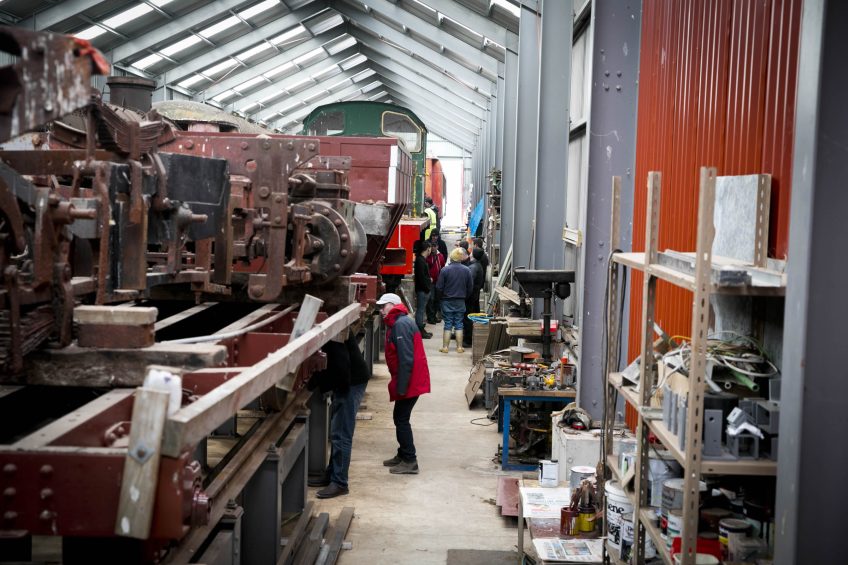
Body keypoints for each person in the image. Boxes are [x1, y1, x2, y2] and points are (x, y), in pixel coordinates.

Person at [306, 332, 371, 498]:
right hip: (347, 377)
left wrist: (315, 385)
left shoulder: (332, 332)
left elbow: (340, 368)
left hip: (351, 381)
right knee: (337, 431)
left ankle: (340, 482)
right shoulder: (325, 330)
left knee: (341, 433)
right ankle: (332, 474)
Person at [377, 293, 431, 474]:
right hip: (409, 379)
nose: (380, 310)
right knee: (400, 417)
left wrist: (402, 387)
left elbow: (406, 359)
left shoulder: (400, 325)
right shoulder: (399, 322)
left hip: (409, 381)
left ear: (392, 305)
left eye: (383, 306)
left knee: (401, 419)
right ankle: (402, 454)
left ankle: (410, 460)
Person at [435, 248, 473, 353]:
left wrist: (440, 299)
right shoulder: (467, 270)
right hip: (460, 300)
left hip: (447, 301)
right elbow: (470, 288)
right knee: (459, 323)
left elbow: (439, 287)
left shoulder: (445, 270)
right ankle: (459, 347)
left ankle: (445, 347)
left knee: (448, 323)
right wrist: (465, 297)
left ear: (451, 257)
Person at [463, 247, 486, 347]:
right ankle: (469, 336)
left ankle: (468, 340)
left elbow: (469, 282)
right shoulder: (477, 265)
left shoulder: (473, 267)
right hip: (474, 294)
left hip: (471, 296)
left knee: (467, 317)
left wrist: (465, 295)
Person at [413, 240, 433, 338]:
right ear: (427, 249)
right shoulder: (420, 260)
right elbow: (421, 277)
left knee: (421, 310)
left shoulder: (422, 259)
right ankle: (419, 330)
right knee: (420, 310)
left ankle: (421, 329)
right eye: (430, 248)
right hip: (422, 290)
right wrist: (427, 287)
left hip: (424, 289)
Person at [425, 241, 445, 324]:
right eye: (432, 246)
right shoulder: (428, 257)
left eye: (434, 246)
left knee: (437, 299)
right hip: (431, 282)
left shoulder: (440, 256)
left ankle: (434, 316)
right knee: (431, 299)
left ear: (437, 247)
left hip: (439, 281)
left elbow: (443, 267)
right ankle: (430, 317)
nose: (433, 248)